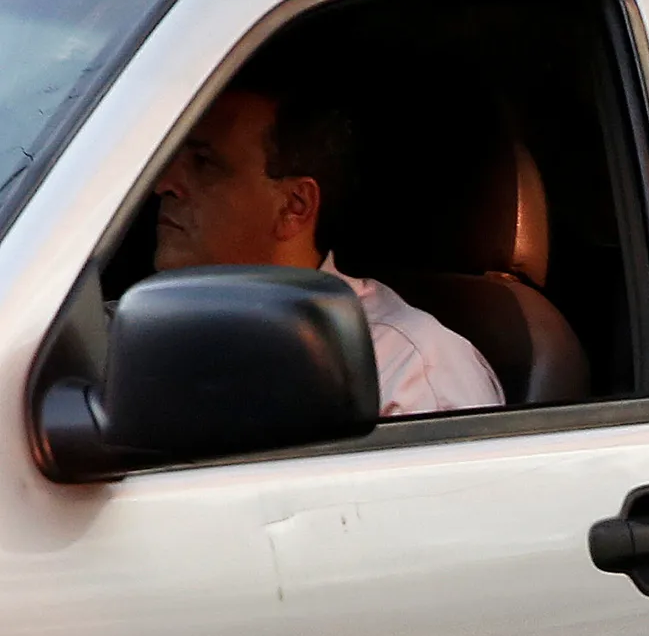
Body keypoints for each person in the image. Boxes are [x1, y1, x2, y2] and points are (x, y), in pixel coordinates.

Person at [152, 69, 504, 418]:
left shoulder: (409, 370)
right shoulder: (141, 332)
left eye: (204, 163)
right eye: (173, 160)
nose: (164, 184)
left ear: (294, 206)